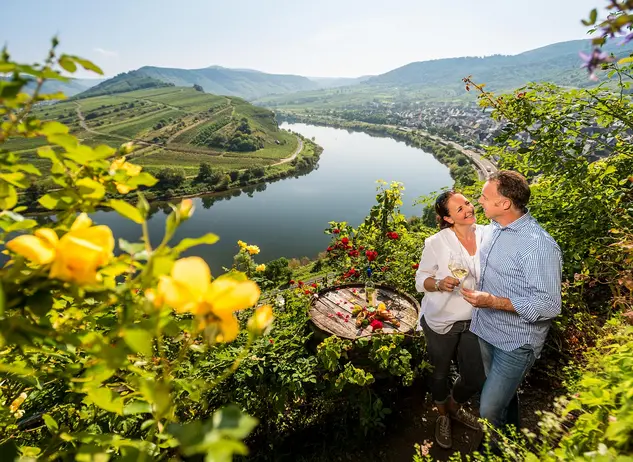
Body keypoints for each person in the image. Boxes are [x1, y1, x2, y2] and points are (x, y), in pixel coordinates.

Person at [462, 170, 562, 431]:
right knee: (503, 397)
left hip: (515, 343)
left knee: (488, 408)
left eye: (485, 196)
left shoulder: (538, 246)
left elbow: (549, 305)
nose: (479, 201)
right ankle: (511, 438)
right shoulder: (495, 228)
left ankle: (494, 452)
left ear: (504, 203)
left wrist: (493, 301)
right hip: (486, 331)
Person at [415, 191, 487, 449]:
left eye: (467, 203)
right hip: (442, 320)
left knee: (475, 375)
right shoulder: (436, 242)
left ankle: (454, 407)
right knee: (440, 372)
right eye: (459, 209)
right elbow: (420, 280)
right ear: (447, 218)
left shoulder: (488, 234)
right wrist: (438, 283)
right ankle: (442, 416)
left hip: (477, 318)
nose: (468, 209)